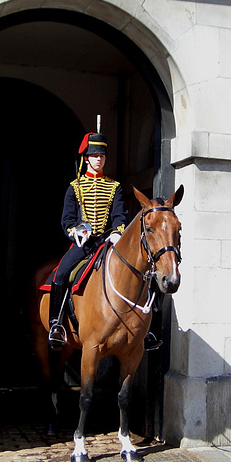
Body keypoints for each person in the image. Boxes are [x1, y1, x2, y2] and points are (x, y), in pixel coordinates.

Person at [47, 131, 162, 352]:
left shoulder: (114, 187)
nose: (99, 159)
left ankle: (147, 330)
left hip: (108, 242)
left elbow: (120, 215)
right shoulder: (75, 187)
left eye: (102, 156)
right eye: (95, 155)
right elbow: (67, 220)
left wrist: (118, 231)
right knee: (61, 273)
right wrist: (75, 233)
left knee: (147, 275)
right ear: (86, 158)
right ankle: (56, 325)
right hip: (83, 244)